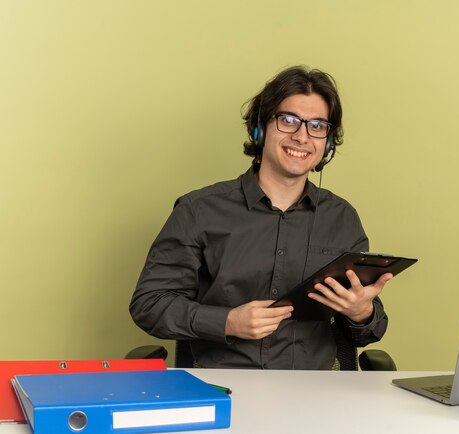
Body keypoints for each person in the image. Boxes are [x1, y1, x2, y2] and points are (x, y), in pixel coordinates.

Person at [130, 66, 393, 369]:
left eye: (317, 126)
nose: (302, 136)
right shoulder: (198, 211)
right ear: (259, 128)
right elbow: (149, 305)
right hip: (224, 389)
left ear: (328, 143)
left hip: (314, 396)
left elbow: (368, 330)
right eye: (289, 120)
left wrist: (362, 312)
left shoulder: (342, 218)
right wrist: (227, 321)